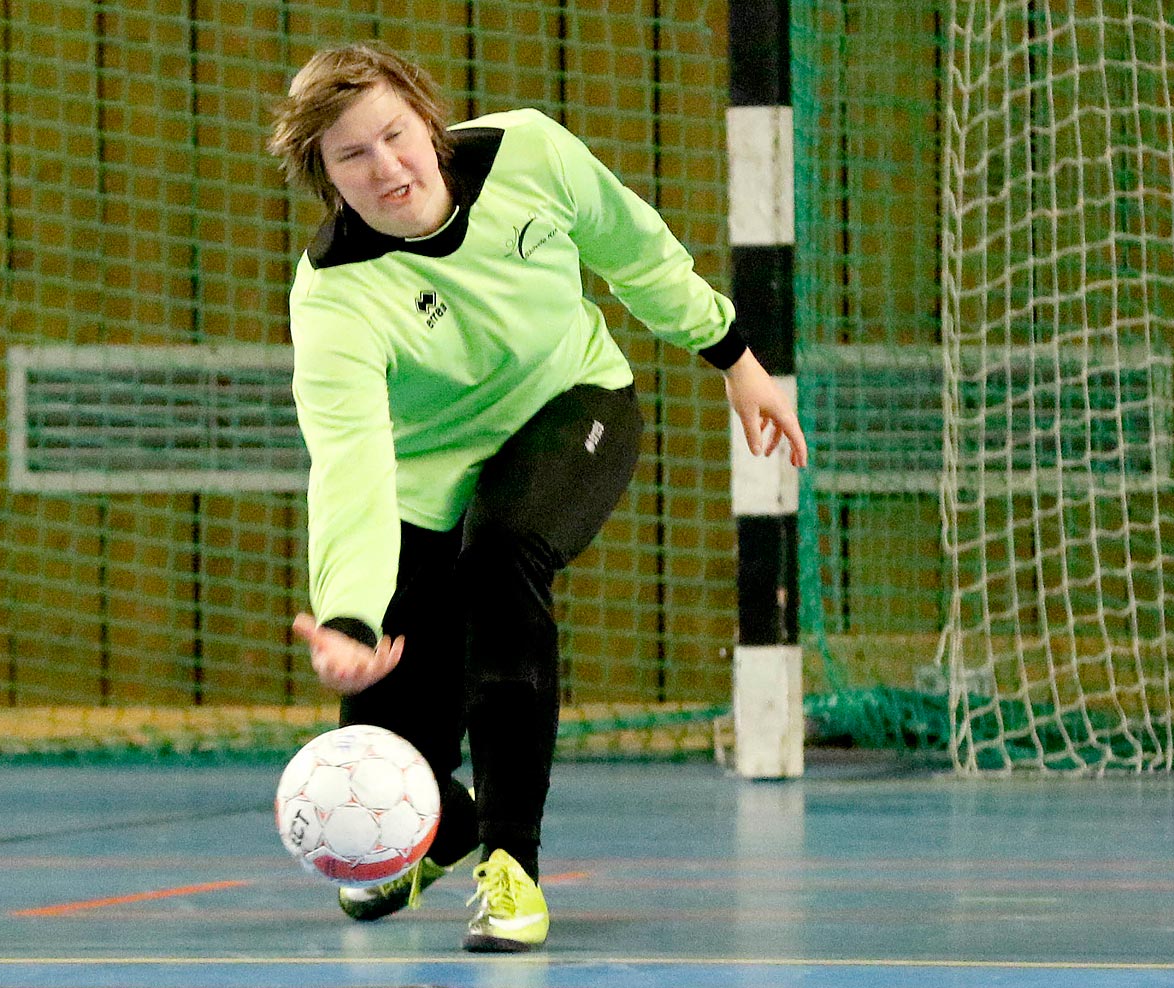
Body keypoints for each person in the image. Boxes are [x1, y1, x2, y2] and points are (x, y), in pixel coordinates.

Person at [267, 42, 807, 952]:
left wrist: (732, 353)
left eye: (395, 135)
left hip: (571, 406)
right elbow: (350, 458)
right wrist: (352, 617)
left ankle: (509, 864)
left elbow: (636, 250)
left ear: (427, 123)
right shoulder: (334, 298)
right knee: (389, 742)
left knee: (504, 553)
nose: (387, 167)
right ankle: (439, 827)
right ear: (322, 173)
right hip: (427, 476)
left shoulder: (530, 153)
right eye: (351, 155)